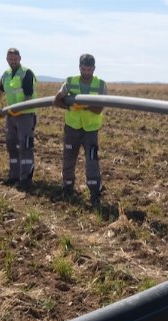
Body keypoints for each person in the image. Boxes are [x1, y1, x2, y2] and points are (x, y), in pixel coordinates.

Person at [53, 53, 107, 207]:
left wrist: (84, 105)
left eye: (90, 69)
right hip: (72, 128)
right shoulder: (70, 82)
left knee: (92, 160)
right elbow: (56, 100)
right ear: (79, 68)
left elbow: (99, 109)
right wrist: (70, 106)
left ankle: (95, 191)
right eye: (84, 69)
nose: (87, 73)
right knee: (69, 158)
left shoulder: (101, 84)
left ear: (94, 69)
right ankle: (67, 187)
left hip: (91, 130)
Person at [0, 47, 37, 189]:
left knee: (25, 146)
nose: (13, 61)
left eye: (15, 59)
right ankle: (14, 176)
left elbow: (28, 96)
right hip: (11, 115)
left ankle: (26, 179)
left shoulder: (26, 73)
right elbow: (1, 90)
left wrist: (20, 109)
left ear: (20, 58)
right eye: (10, 59)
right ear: (7, 60)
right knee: (11, 145)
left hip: (25, 115)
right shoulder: (6, 74)